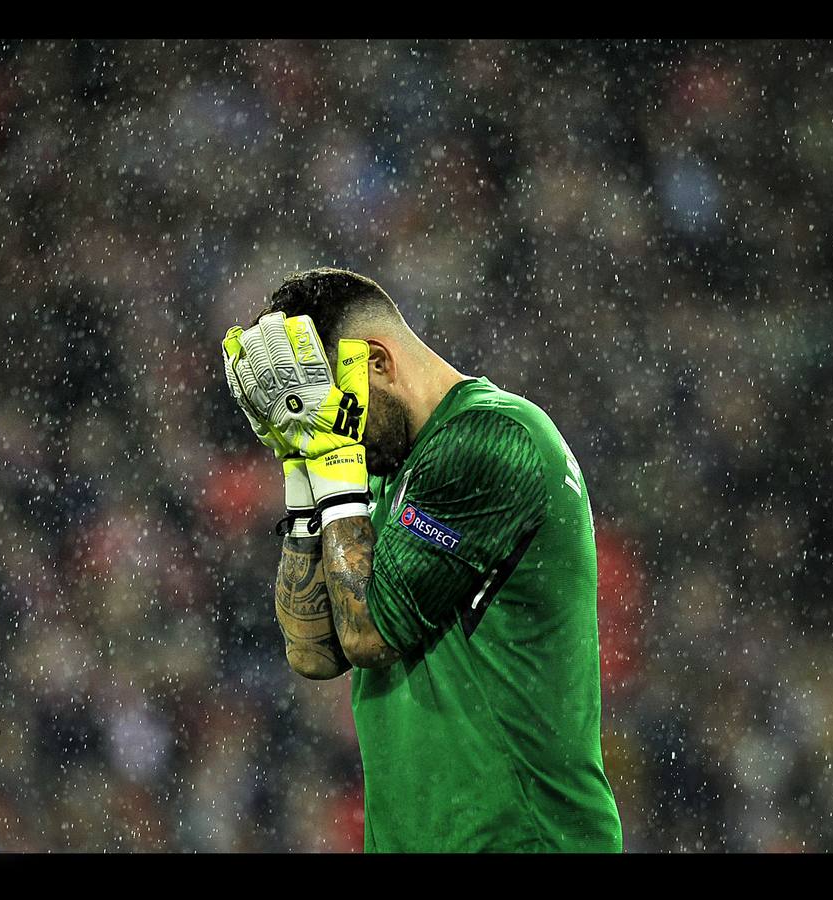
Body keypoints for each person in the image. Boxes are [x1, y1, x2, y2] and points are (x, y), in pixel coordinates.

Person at [222, 267, 623, 852]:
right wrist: (303, 474)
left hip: (524, 840)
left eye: (326, 402)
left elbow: (368, 636)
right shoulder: (381, 475)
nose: (327, 428)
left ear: (378, 363)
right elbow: (313, 651)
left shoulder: (491, 439)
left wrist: (333, 460)